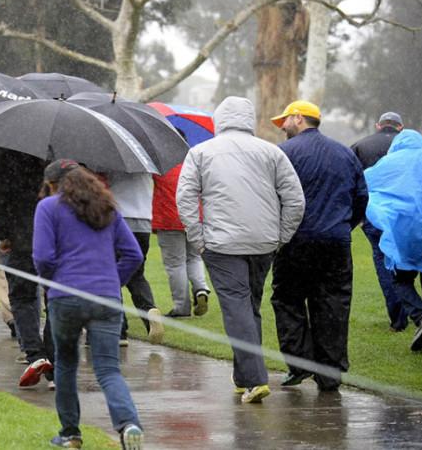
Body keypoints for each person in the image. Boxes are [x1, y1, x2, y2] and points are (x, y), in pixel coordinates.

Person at [176, 96, 305, 404]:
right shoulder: (271, 152)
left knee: (237, 309)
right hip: (263, 244)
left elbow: (185, 198)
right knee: (249, 308)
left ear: (219, 120)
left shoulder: (200, 153)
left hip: (221, 244)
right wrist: (279, 237)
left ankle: (256, 380)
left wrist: (199, 239)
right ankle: (243, 375)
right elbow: (296, 200)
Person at [33, 159, 145, 450]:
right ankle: (129, 424)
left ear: (54, 184)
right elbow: (133, 255)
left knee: (66, 365)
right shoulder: (107, 209)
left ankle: (70, 434)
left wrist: (52, 283)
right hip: (106, 300)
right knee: (108, 370)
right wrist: (111, 283)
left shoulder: (48, 208)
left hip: (65, 299)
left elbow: (43, 257)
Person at [271, 100, 368, 391]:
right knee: (332, 303)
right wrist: (344, 226)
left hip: (296, 240)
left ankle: (300, 363)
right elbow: (361, 196)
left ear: (299, 119)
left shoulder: (284, 154)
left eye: (285, 121)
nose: (282, 127)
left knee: (287, 299)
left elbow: (272, 196)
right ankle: (329, 374)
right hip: (336, 242)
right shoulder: (344, 153)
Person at [363, 129, 422, 352]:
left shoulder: (390, 163)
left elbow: (365, 183)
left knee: (401, 280)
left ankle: (421, 317)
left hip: (405, 233)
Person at [0, 146, 54, 387]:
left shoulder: (0, 154)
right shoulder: (52, 153)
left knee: (22, 296)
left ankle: (35, 352)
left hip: (20, 236)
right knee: (53, 296)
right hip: (51, 235)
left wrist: (3, 233)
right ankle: (52, 356)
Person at [351, 111, 408, 332]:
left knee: (382, 261)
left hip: (373, 215)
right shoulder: (409, 147)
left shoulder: (360, 146)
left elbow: (351, 181)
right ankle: (418, 311)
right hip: (404, 215)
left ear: (378, 126)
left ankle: (397, 317)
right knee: (406, 261)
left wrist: (357, 217)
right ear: (400, 127)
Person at [105, 171, 165, 343]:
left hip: (118, 220)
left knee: (112, 274)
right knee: (137, 275)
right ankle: (149, 312)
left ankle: (119, 330)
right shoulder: (147, 165)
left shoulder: (110, 161)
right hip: (144, 222)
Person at [152, 155, 210, 318]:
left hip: (168, 220)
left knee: (175, 264)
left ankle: (181, 307)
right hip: (194, 218)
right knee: (194, 258)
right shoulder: (194, 167)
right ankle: (201, 288)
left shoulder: (160, 168)